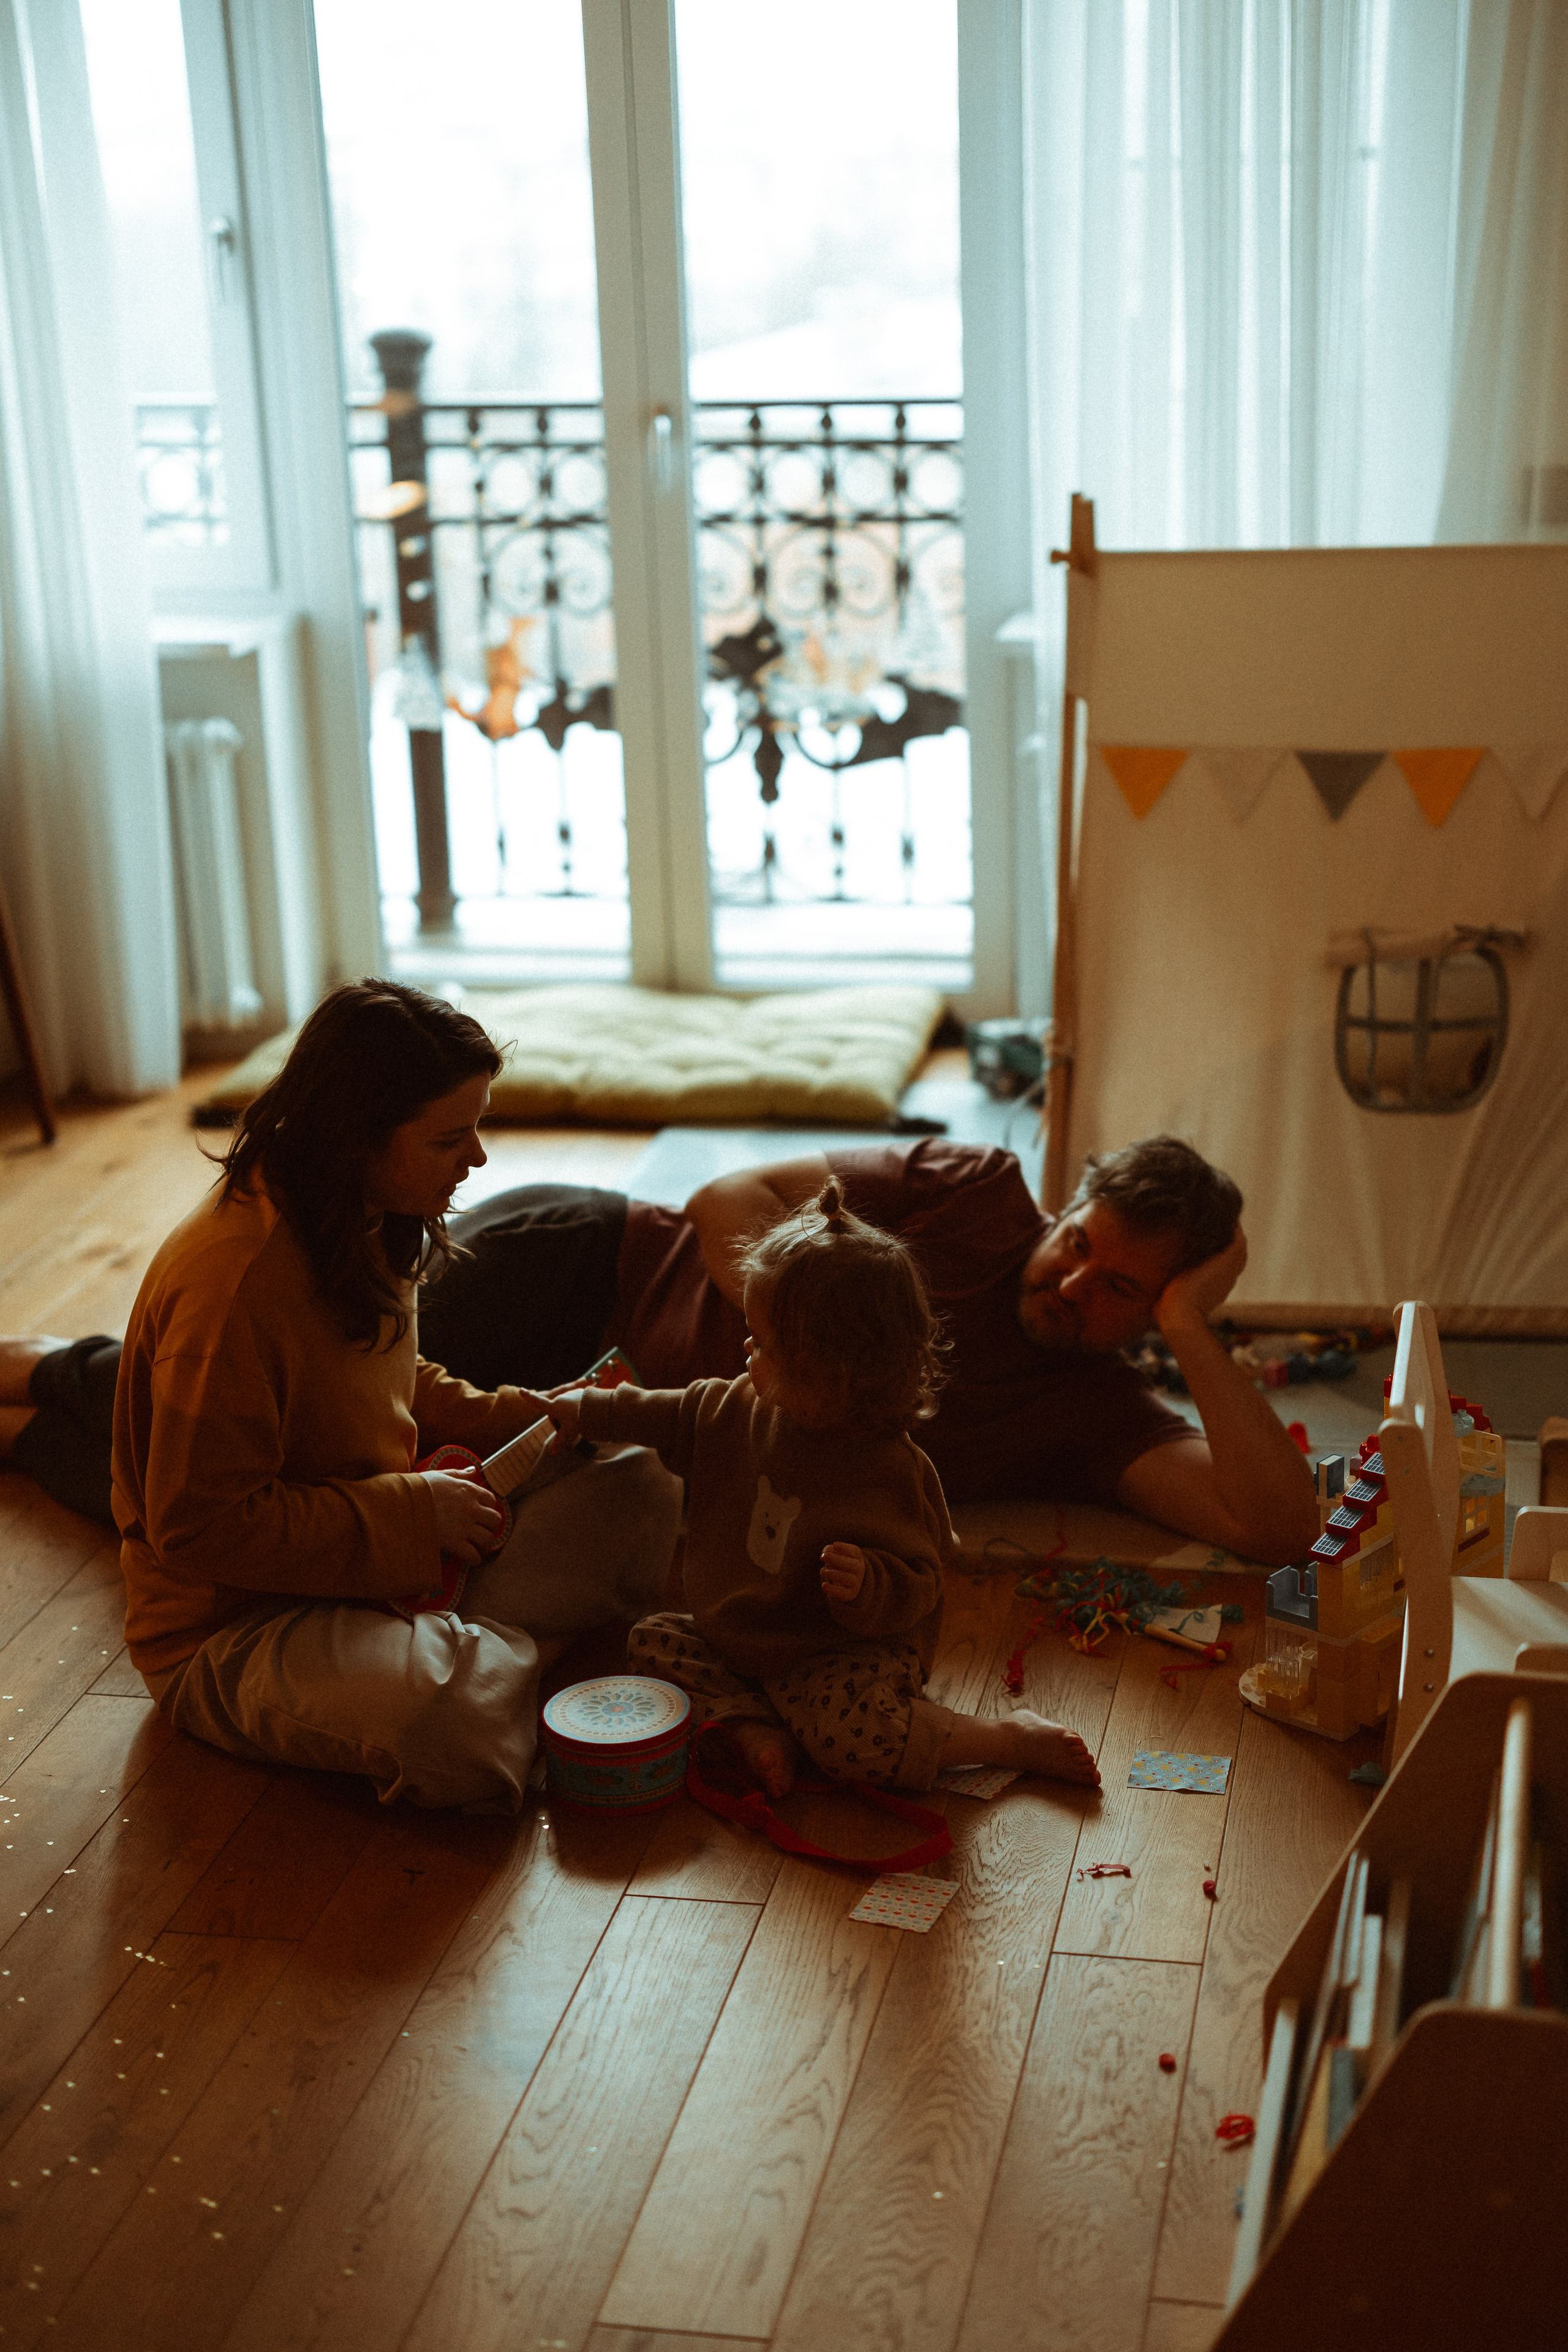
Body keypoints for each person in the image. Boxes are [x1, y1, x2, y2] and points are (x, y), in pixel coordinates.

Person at [1, 1133, 1315, 1565]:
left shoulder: (1093, 1410)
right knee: (305, 1417)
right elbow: (725, 1201)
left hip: (624, 1424)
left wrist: (1195, 1330)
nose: (1075, 1281)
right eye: (1079, 1244)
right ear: (1068, 1203)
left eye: (1122, 1290)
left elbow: (1266, 1524)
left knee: (331, 1477)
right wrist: (797, 1355)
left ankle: (22, 1420)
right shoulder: (972, 1187)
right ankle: (35, 1364)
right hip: (584, 1265)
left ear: (1154, 1314)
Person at [108, 981, 680, 1811]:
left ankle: (476, 1655)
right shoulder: (230, 1286)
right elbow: (199, 1531)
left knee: (640, 1478)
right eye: (452, 1137)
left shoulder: (365, 1214)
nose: (477, 1158)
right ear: (355, 1141)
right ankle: (477, 1669)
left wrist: (533, 1417)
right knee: (458, 1727)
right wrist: (417, 1516)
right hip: (237, 1630)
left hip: (375, 1568)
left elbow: (386, 1376)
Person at [532, 1176, 1101, 1800]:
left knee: (860, 1739)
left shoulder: (889, 1470)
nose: (747, 1351)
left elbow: (921, 1582)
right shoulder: (739, 1404)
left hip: (840, 1658)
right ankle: (757, 1727)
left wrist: (867, 1587)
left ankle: (1003, 1739)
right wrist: (586, 1406)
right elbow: (666, 1412)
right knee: (651, 1640)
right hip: (740, 1639)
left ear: (834, 1375)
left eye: (766, 1347)